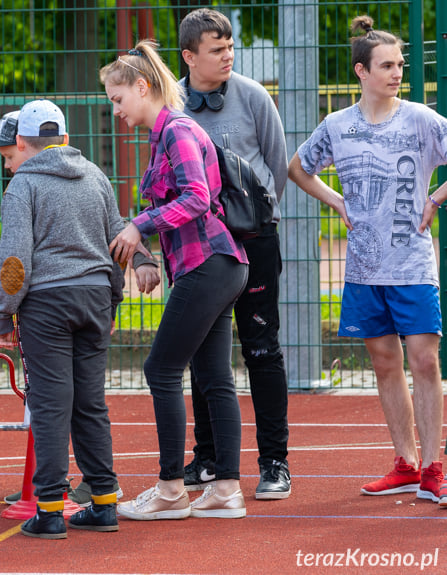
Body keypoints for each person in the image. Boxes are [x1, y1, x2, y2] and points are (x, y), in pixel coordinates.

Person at [0, 99, 160, 539]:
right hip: (95, 298)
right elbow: (116, 238)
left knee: (50, 403)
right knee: (90, 403)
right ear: (62, 137)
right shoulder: (95, 175)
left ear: (21, 142)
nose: (8, 164)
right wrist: (112, 299)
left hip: (47, 305)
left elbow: (16, 260)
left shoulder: (24, 185)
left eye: (10, 153)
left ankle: (48, 510)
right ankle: (103, 502)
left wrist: (1, 313)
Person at [288, 15, 447, 504]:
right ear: (361, 70)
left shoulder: (421, 119)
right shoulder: (337, 125)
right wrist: (335, 201)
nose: (397, 72)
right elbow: (297, 168)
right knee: (384, 364)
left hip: (413, 266)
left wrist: (436, 198)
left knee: (423, 360)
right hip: (363, 269)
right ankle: (404, 462)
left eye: (399, 64)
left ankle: (434, 469)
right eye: (386, 65)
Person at [102, 39, 249, 520]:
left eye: (117, 99)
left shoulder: (177, 132)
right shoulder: (164, 133)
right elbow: (171, 207)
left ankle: (170, 489)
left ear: (142, 87)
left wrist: (138, 227)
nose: (116, 111)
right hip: (215, 264)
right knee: (211, 375)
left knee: (161, 369)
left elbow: (196, 199)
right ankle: (226, 489)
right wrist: (146, 254)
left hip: (209, 263)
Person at [177, 8, 291, 500]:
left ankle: (275, 463)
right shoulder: (172, 103)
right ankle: (209, 459)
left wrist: (252, 218)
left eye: (230, 48)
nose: (227, 57)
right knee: (203, 353)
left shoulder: (253, 95)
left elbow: (277, 164)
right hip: (198, 247)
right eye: (216, 50)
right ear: (188, 57)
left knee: (262, 349)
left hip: (253, 240)